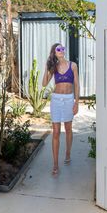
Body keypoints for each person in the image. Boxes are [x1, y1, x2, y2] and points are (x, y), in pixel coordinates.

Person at [42, 43, 79, 176]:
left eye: (63, 48)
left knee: (68, 129)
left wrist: (77, 103)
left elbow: (76, 85)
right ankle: (55, 164)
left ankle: (68, 152)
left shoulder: (73, 65)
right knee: (56, 132)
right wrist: (47, 67)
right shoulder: (54, 67)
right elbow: (44, 84)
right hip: (56, 100)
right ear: (54, 52)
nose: (61, 51)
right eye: (59, 49)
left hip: (69, 100)